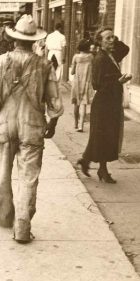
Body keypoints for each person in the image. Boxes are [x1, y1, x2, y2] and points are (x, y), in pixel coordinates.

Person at [0, 15, 63, 243]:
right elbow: (55, 103)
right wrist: (52, 122)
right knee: (28, 178)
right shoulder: (45, 65)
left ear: (13, 38)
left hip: (5, 125)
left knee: (2, 174)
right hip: (33, 124)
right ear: (34, 40)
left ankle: (5, 217)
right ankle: (23, 227)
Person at [77, 28, 131, 183]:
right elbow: (96, 85)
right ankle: (102, 170)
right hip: (103, 103)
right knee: (103, 136)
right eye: (107, 38)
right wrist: (118, 82)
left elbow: (125, 49)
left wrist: (114, 39)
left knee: (103, 136)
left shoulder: (111, 55)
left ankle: (87, 162)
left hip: (112, 101)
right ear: (99, 42)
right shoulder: (100, 59)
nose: (112, 40)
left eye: (113, 37)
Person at [71, 39, 94, 132]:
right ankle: (81, 126)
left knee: (76, 104)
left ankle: (75, 123)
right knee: (83, 104)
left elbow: (72, 72)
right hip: (87, 82)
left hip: (77, 82)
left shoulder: (76, 57)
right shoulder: (91, 57)